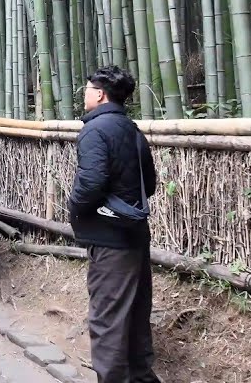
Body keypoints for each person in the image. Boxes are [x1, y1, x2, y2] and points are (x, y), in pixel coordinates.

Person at [69, 66, 160, 383]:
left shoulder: (96, 130)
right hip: (134, 234)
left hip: (109, 240)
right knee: (135, 315)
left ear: (99, 94)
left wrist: (77, 208)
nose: (84, 93)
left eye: (87, 88)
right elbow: (149, 184)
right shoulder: (131, 129)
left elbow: (91, 182)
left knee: (107, 320)